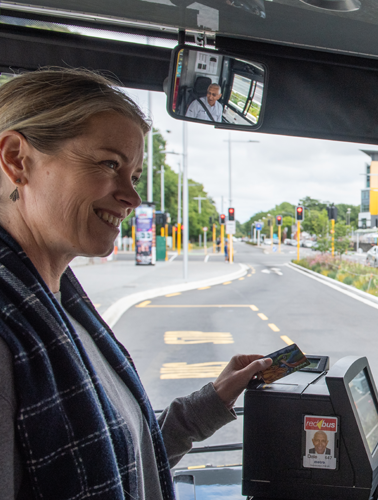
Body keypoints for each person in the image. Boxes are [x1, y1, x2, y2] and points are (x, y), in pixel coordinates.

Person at [0, 69, 272, 499]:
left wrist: (211, 402)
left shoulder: (61, 304)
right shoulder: (13, 333)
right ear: (17, 158)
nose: (132, 196)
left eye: (135, 175)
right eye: (109, 164)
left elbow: (118, 463)